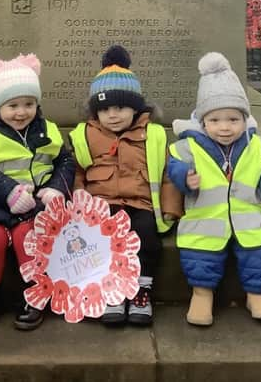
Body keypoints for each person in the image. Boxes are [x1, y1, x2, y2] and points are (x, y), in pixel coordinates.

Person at [168, 52, 261, 326]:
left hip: (250, 215)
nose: (224, 127)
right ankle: (202, 294)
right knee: (199, 254)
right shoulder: (187, 147)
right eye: (216, 120)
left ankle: (258, 294)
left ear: (245, 119)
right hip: (205, 219)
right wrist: (185, 178)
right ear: (202, 122)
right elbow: (174, 167)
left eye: (233, 119)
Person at [0, 53, 75, 331]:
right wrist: (9, 192)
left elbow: (66, 161)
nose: (21, 112)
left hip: (34, 203)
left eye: (28, 104)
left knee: (26, 236)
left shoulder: (49, 130)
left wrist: (55, 188)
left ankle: (36, 291)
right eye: (12, 105)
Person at [69, 45, 183, 326]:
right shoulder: (85, 135)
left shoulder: (153, 135)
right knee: (103, 242)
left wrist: (171, 208)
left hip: (140, 203)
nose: (113, 115)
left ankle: (141, 290)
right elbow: (77, 169)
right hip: (101, 206)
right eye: (105, 109)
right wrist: (78, 191)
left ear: (135, 107)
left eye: (120, 107)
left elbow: (167, 174)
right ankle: (113, 290)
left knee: (147, 238)